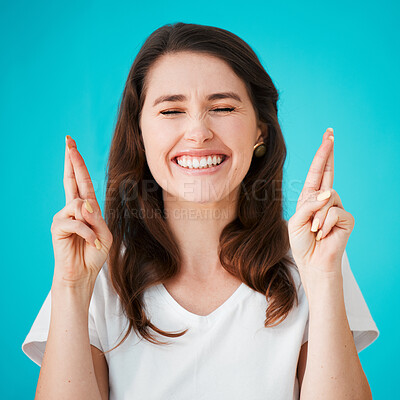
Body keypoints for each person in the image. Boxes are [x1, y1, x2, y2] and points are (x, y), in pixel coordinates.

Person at [22, 22, 379, 400]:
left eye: (223, 107)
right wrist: (72, 287)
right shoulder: (96, 272)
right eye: (171, 110)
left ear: (260, 129)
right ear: (140, 133)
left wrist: (323, 277)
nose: (198, 132)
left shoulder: (313, 260)